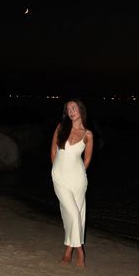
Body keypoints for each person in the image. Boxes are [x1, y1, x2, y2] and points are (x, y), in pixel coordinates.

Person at [51, 99, 93, 267]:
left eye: (74, 108)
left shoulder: (88, 134)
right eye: (68, 109)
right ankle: (80, 250)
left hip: (78, 179)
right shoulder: (61, 128)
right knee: (74, 214)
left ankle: (68, 251)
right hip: (60, 177)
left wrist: (79, 174)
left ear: (80, 110)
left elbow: (87, 159)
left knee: (74, 215)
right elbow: (54, 150)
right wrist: (55, 170)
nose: (71, 111)